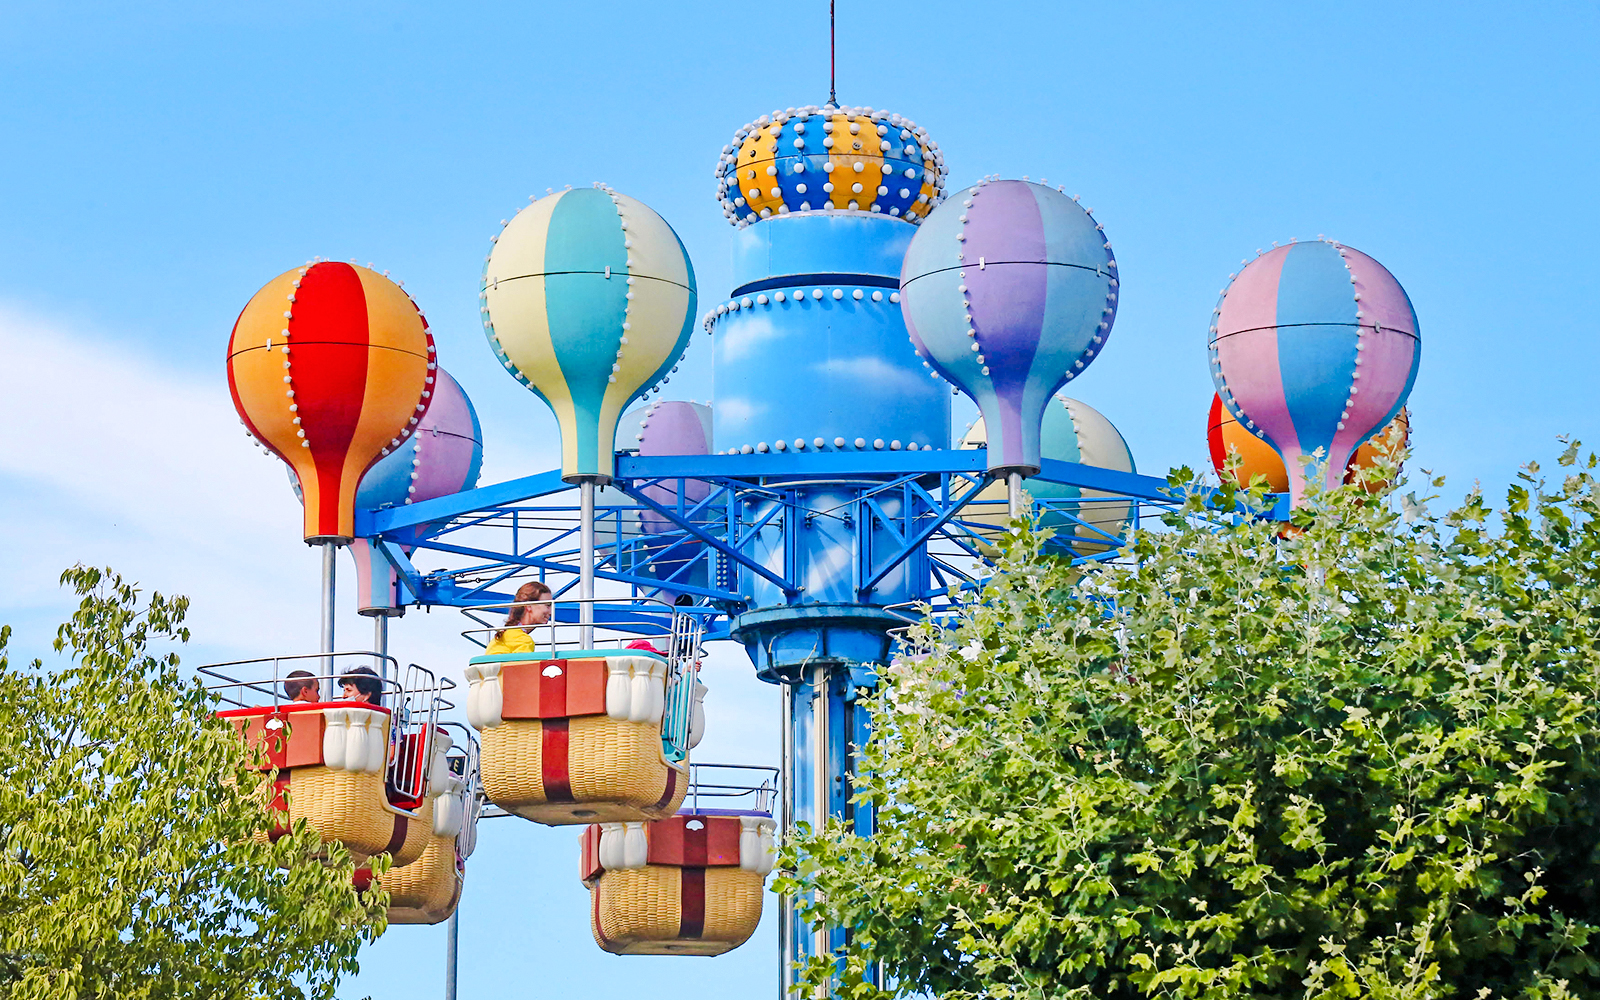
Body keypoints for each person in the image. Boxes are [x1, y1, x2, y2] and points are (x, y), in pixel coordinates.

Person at [486, 580, 552, 655]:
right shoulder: (523, 640)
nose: (551, 612)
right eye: (547, 605)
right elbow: (523, 663)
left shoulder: (503, 635)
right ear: (529, 606)